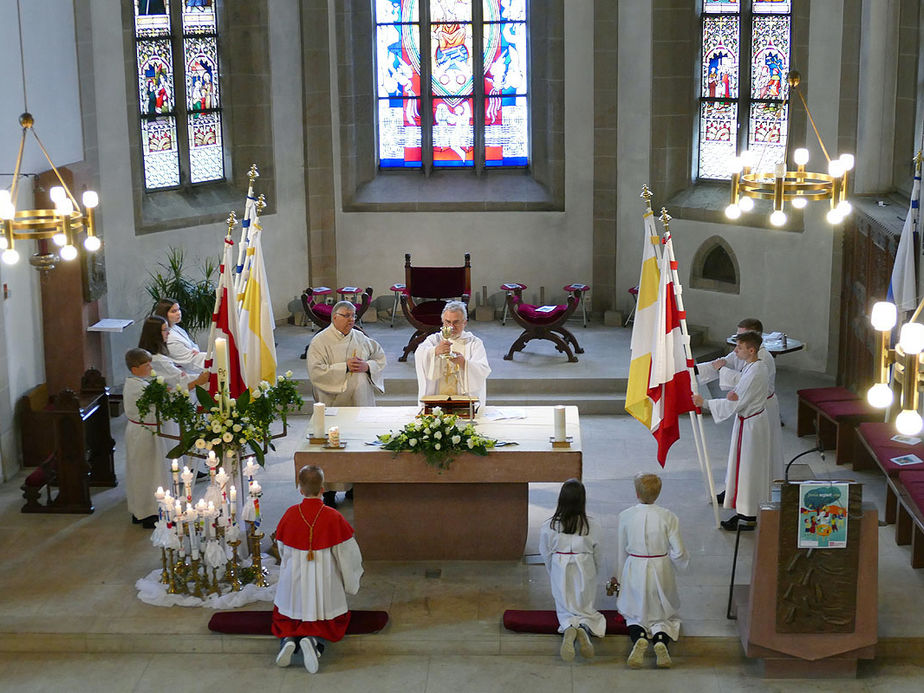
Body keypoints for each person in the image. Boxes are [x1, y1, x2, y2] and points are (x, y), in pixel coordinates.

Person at [273, 465, 364, 674]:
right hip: (323, 580)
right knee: (326, 616)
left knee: (288, 614)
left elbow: (283, 550)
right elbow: (347, 555)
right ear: (323, 488)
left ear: (299, 488)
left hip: (294, 582)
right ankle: (313, 642)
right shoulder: (333, 517)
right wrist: (350, 582)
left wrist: (288, 570)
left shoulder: (290, 514)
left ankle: (288, 640)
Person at [693, 331, 772, 531]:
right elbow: (741, 389)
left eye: (739, 348)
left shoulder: (756, 371)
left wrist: (705, 403)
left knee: (749, 469)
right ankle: (746, 508)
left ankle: (747, 515)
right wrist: (736, 392)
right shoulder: (753, 365)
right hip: (750, 422)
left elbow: (735, 404)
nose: (735, 351)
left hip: (751, 426)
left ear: (751, 350)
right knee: (745, 467)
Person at [614, 473, 689, 669]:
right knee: (663, 614)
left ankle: (639, 638)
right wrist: (677, 563)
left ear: (636, 492)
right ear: (658, 493)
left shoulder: (625, 515)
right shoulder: (668, 516)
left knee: (634, 613)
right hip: (660, 566)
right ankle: (661, 642)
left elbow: (622, 549)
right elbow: (679, 552)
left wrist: (620, 578)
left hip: (635, 567)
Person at [698, 317, 784, 484]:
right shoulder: (743, 349)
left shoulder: (763, 358)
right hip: (747, 406)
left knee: (760, 452)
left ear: (755, 338)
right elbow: (722, 362)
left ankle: (761, 483)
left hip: (761, 407)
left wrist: (707, 402)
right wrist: (692, 371)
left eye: (741, 337)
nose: (736, 343)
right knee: (743, 455)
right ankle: (741, 486)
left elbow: (745, 381)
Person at [538, 478, 604, 662]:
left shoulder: (549, 526)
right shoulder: (592, 525)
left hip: (560, 565)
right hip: (585, 565)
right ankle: (583, 628)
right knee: (585, 605)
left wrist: (554, 572)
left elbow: (545, 553)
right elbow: (598, 553)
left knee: (564, 604)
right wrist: (594, 572)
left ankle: (568, 628)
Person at [306, 301, 387, 406]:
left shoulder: (360, 337)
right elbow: (316, 371)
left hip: (360, 395)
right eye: (347, 316)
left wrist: (367, 366)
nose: (351, 320)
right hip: (332, 394)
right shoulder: (319, 341)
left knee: (359, 378)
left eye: (353, 316)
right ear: (335, 317)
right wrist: (345, 367)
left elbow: (380, 357)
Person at [123, 348, 167, 529]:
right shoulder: (136, 387)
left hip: (142, 432)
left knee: (143, 472)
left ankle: (139, 511)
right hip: (142, 433)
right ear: (135, 369)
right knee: (146, 474)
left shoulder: (138, 383)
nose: (150, 367)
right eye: (146, 364)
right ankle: (148, 513)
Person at [415, 300, 491, 405]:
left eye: (456, 322)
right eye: (448, 322)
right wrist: (435, 351)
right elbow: (419, 353)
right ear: (442, 322)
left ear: (465, 322)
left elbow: (483, 369)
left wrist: (464, 363)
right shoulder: (434, 340)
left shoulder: (474, 343)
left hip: (463, 400)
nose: (451, 327)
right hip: (437, 398)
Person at [138, 316, 209, 392]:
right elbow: (180, 380)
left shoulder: (153, 353)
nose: (169, 333)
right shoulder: (158, 360)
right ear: (155, 334)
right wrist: (203, 377)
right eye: (165, 330)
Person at [153, 298, 206, 374]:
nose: (178, 313)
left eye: (178, 309)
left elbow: (193, 346)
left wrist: (194, 349)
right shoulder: (168, 338)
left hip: (190, 371)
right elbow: (191, 361)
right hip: (180, 378)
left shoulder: (176, 328)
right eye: (173, 311)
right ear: (164, 314)